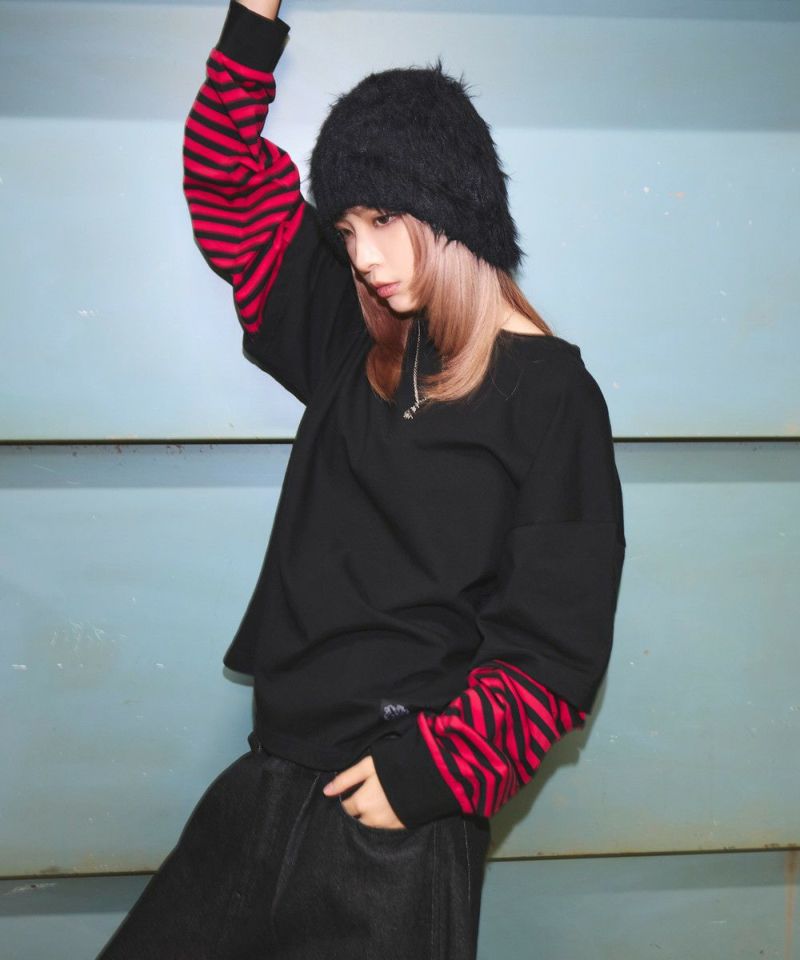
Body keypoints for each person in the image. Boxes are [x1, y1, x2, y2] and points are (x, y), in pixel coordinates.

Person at [96, 0, 626, 957]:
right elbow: (222, 179)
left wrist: (425, 779)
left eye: (382, 218)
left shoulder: (554, 399)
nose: (363, 255)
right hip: (266, 780)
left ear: (455, 205)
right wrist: (254, 14)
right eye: (345, 228)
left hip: (395, 829)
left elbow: (557, 651)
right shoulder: (355, 337)